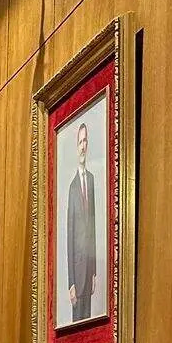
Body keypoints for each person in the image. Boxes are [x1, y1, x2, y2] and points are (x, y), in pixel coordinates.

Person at [66, 122, 98, 322]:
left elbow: (93, 228)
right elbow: (70, 237)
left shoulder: (92, 180)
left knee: (90, 326)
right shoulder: (72, 188)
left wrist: (94, 271)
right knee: (77, 325)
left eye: (85, 141)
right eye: (80, 142)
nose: (83, 146)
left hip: (88, 272)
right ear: (76, 147)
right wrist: (71, 282)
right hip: (77, 275)